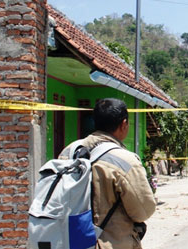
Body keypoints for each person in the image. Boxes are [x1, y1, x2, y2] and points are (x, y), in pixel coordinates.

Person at [60, 98, 156, 249]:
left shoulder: (69, 152)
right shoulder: (124, 161)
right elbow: (143, 211)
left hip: (69, 241)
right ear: (124, 124)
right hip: (110, 243)